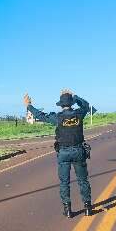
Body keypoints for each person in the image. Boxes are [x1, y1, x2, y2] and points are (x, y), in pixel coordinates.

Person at [24, 90, 92, 218]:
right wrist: (75, 96)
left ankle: (67, 210)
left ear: (61, 105)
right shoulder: (79, 114)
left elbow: (40, 115)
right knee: (83, 180)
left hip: (64, 152)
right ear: (71, 103)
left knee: (64, 182)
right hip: (78, 151)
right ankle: (88, 207)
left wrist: (29, 105)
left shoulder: (58, 117)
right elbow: (86, 105)